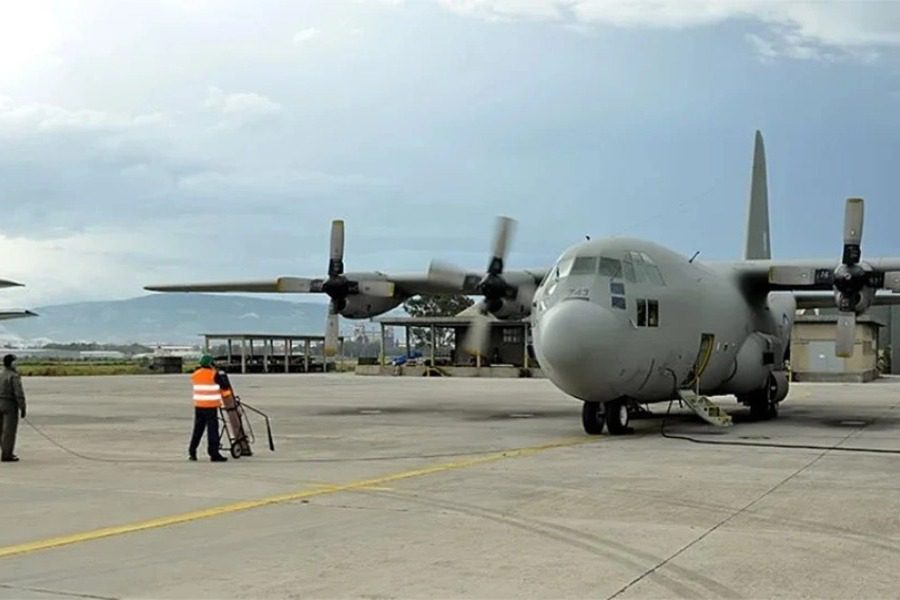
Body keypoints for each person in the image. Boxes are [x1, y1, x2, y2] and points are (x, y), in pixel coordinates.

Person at [188, 354, 228, 462]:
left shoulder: (195, 374)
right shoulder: (214, 374)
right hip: (211, 406)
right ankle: (214, 454)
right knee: (212, 431)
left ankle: (192, 451)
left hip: (199, 406)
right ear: (211, 363)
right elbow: (224, 387)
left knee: (197, 430)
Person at [218, 367, 252, 457]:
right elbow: (225, 388)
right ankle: (243, 445)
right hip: (226, 405)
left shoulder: (199, 375)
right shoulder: (218, 376)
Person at [0, 354, 26, 463]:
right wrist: (22, 407)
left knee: (0, 430)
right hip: (9, 404)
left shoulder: (1, 374)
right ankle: (7, 454)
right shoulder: (14, 376)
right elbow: (18, 393)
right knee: (9, 431)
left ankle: (4, 451)